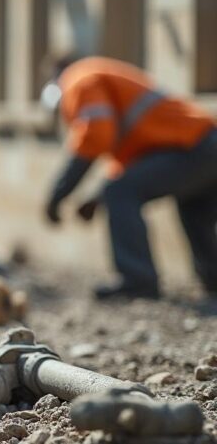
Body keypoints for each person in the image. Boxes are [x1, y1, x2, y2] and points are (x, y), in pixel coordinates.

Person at [41, 55, 217, 300]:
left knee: (121, 192)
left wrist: (59, 193)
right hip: (205, 145)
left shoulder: (78, 79)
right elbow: (133, 160)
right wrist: (97, 196)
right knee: (194, 209)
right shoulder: (97, 74)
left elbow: (97, 134)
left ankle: (138, 281)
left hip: (190, 148)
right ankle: (213, 280)